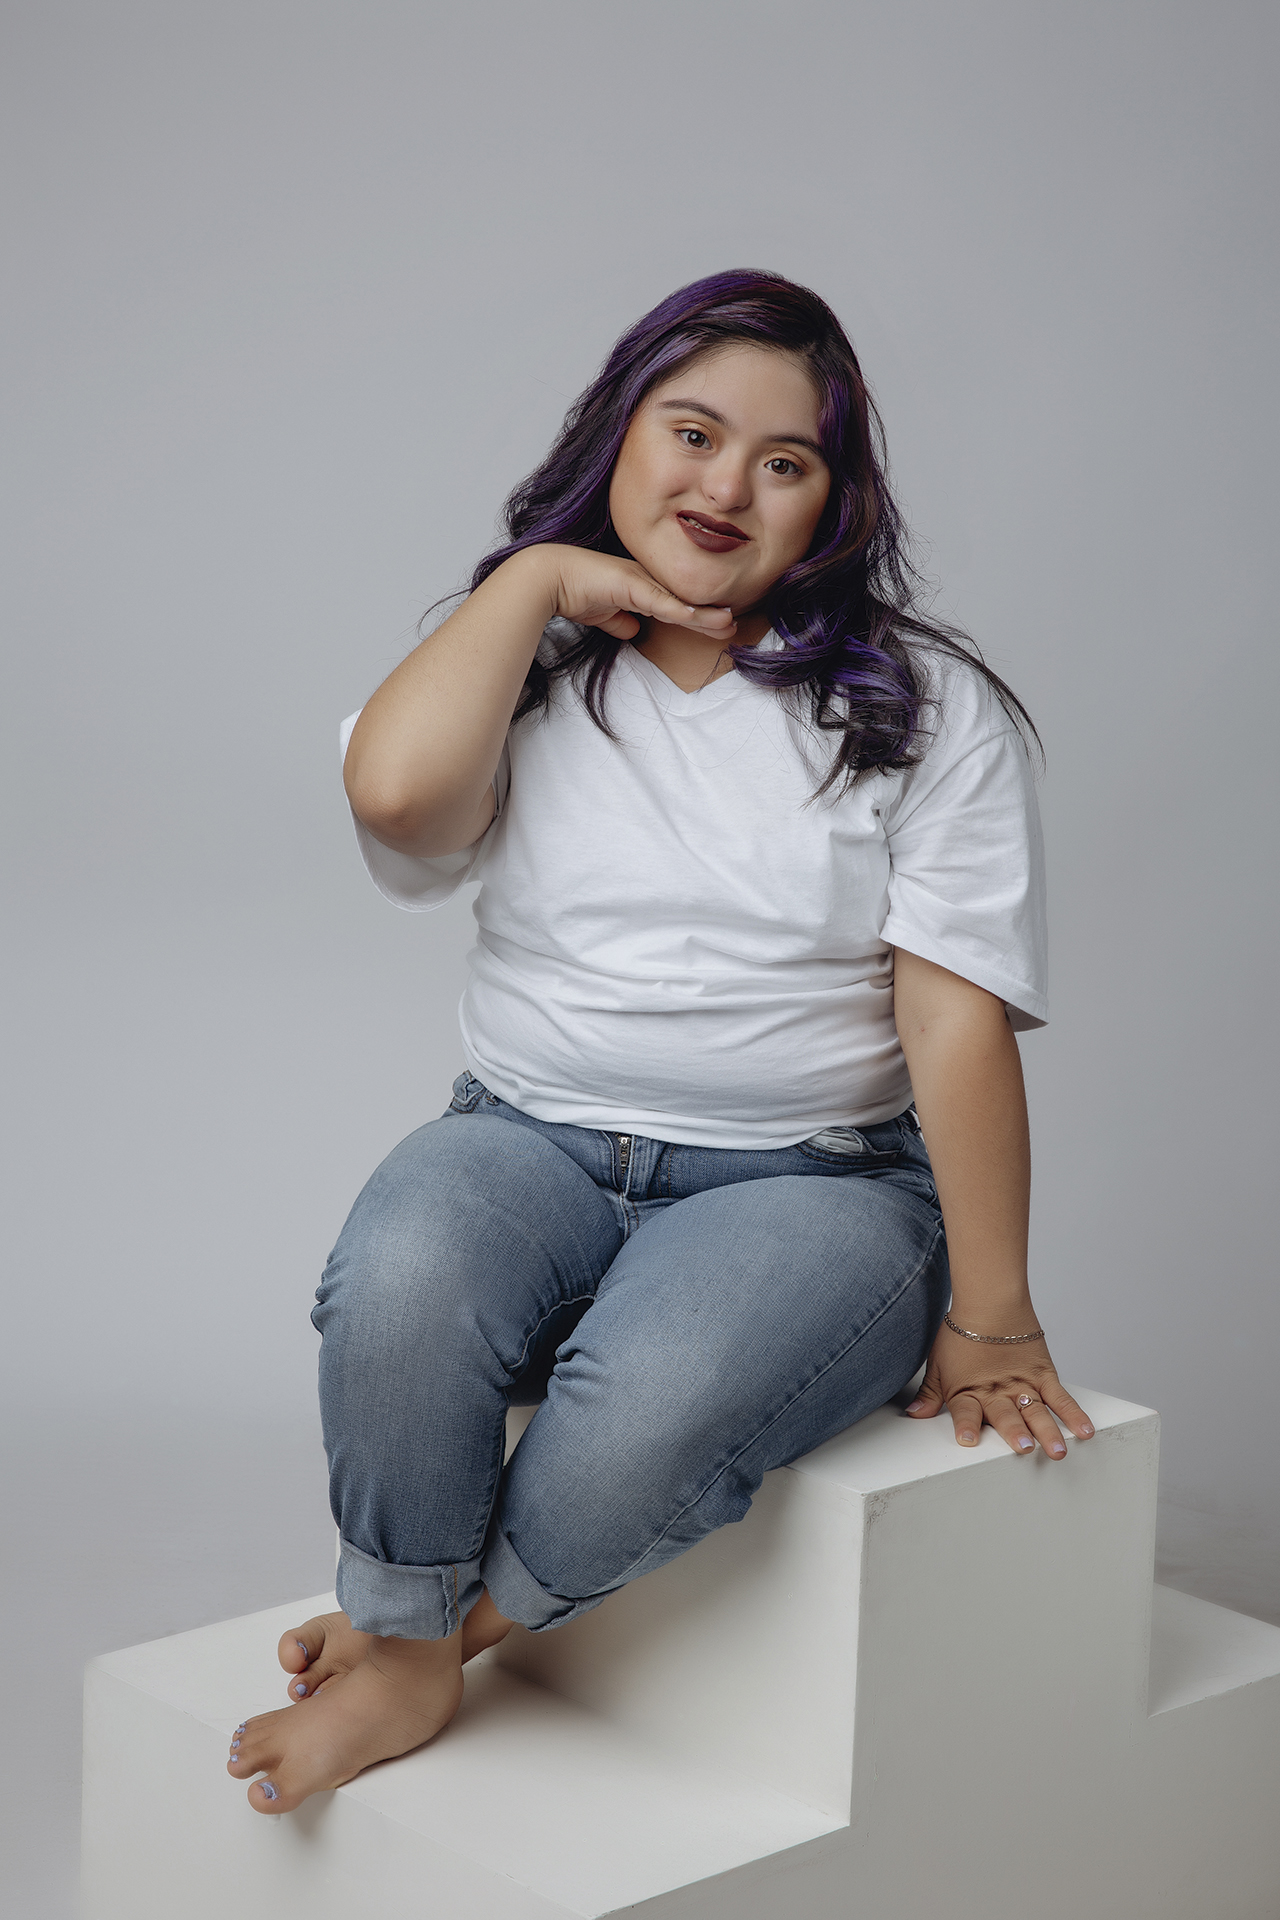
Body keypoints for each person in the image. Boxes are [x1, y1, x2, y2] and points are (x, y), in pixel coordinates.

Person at [228, 269, 1095, 1813]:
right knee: (399, 1281)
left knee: (649, 1409)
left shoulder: (921, 704)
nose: (726, 486)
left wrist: (996, 1314)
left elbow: (951, 1017)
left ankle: (430, 1646)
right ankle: (403, 1633)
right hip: (524, 1140)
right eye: (691, 433)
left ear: (833, 505)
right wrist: (530, 585)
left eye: (786, 461)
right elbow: (398, 800)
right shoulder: (524, 663)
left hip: (815, 1183)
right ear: (616, 435)